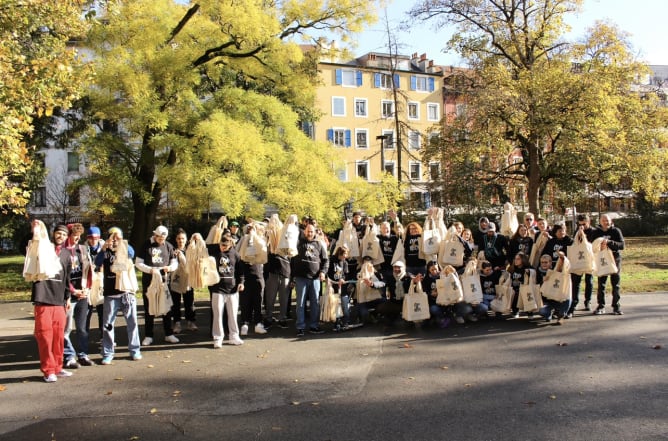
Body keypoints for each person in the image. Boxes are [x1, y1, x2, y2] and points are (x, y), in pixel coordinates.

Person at [28, 221, 74, 382]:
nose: (60, 236)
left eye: (63, 234)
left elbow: (67, 278)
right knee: (45, 337)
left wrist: (67, 297)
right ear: (53, 234)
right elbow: (27, 248)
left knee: (59, 337)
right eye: (58, 233)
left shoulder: (67, 254)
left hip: (59, 301)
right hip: (43, 299)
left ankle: (58, 367)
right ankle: (48, 370)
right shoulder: (42, 248)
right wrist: (35, 232)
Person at [94, 227, 142, 364]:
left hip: (126, 292)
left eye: (118, 236)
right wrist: (104, 248)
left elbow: (132, 254)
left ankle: (135, 350)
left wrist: (121, 241)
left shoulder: (124, 248)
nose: (115, 239)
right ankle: (108, 352)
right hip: (110, 293)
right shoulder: (105, 250)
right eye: (112, 236)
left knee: (132, 323)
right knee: (108, 325)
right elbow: (97, 263)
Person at [136, 225, 179, 345]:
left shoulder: (169, 246)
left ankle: (168, 334)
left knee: (166, 307)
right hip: (149, 282)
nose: (161, 240)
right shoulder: (146, 245)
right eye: (159, 237)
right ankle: (149, 335)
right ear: (155, 235)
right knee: (149, 308)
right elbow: (138, 263)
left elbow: (174, 262)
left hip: (164, 281)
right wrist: (150, 270)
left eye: (163, 238)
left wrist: (169, 268)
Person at [62, 223, 95, 368]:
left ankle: (83, 354)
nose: (77, 239)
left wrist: (87, 288)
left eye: (79, 236)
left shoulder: (82, 249)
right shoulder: (61, 251)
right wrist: (72, 291)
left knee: (82, 328)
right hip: (68, 294)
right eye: (74, 236)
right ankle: (69, 356)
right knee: (66, 328)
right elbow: (62, 276)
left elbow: (88, 271)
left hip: (83, 293)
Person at [291, 223, 329, 337]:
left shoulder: (319, 244)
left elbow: (326, 260)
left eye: (312, 231)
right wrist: (292, 277)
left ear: (315, 232)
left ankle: (314, 326)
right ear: (304, 232)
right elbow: (292, 260)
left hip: (315, 278)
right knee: (300, 304)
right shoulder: (298, 243)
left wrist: (323, 272)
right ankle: (300, 327)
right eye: (308, 231)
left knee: (315, 304)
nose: (309, 233)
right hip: (300, 278)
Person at [209, 235, 244, 347]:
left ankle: (234, 336)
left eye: (225, 245)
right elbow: (202, 247)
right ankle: (218, 337)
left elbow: (240, 271)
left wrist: (241, 283)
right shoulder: (213, 250)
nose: (223, 247)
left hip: (232, 289)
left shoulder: (235, 254)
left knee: (233, 314)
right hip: (217, 288)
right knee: (218, 314)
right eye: (221, 244)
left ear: (230, 245)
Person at [592, 214, 625, 315]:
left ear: (611, 221)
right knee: (601, 284)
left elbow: (622, 245)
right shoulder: (596, 232)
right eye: (603, 220)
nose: (605, 222)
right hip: (602, 260)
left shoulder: (616, 231)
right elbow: (592, 245)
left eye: (607, 220)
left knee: (616, 284)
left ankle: (616, 306)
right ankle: (601, 306)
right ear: (600, 222)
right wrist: (600, 244)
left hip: (615, 260)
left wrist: (609, 242)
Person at [239, 224, 268, 336]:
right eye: (249, 229)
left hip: (258, 276)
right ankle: (245, 323)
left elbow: (263, 251)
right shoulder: (243, 240)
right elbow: (239, 254)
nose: (251, 231)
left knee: (258, 302)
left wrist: (254, 235)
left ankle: (258, 323)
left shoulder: (260, 241)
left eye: (253, 229)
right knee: (245, 302)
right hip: (245, 276)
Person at [169, 228, 197, 334]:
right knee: (175, 302)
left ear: (186, 239)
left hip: (188, 279)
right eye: (179, 238)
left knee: (189, 302)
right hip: (176, 279)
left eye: (183, 238)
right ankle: (177, 323)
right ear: (176, 239)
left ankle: (191, 322)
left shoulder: (190, 251)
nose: (181, 241)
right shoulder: (172, 250)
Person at [570, 214, 597, 312]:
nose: (582, 226)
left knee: (589, 281)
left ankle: (587, 301)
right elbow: (575, 243)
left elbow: (593, 245)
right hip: (579, 259)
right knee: (576, 281)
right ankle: (575, 301)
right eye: (580, 224)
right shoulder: (577, 231)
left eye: (584, 224)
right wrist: (579, 233)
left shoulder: (594, 231)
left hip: (589, 259)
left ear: (588, 222)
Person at [86, 227, 106, 339]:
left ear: (99, 237)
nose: (93, 240)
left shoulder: (105, 247)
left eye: (96, 238)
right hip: (89, 281)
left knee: (102, 311)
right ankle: (84, 337)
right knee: (87, 311)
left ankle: (104, 336)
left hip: (102, 280)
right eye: (91, 238)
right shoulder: (83, 248)